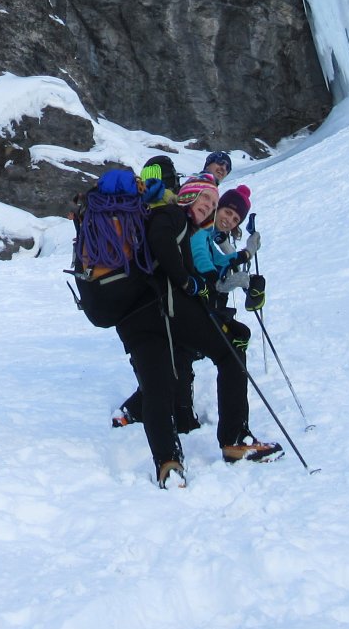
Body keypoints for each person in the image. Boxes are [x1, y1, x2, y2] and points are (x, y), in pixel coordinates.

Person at [116, 175, 283, 487]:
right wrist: (188, 281)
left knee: (160, 383)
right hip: (162, 309)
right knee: (229, 346)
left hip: (139, 316)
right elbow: (167, 248)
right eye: (205, 200)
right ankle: (234, 440)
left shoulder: (188, 226)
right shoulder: (173, 216)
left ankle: (169, 464)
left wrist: (238, 260)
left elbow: (204, 263)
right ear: (186, 197)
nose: (209, 208)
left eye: (213, 204)